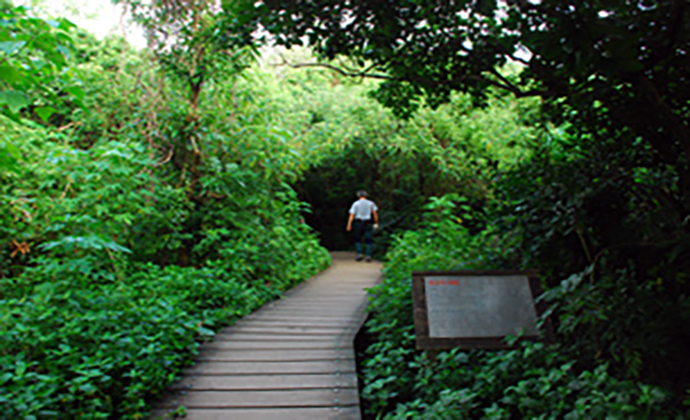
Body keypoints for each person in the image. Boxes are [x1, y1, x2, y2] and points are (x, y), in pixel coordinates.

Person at [346, 190, 379, 262]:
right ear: (366, 196)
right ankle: (368, 255)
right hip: (368, 222)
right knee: (368, 239)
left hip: (359, 222)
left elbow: (352, 215)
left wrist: (349, 224)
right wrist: (376, 222)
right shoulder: (371, 203)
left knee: (358, 238)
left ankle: (359, 253)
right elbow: (375, 213)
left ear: (358, 196)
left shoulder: (356, 204)